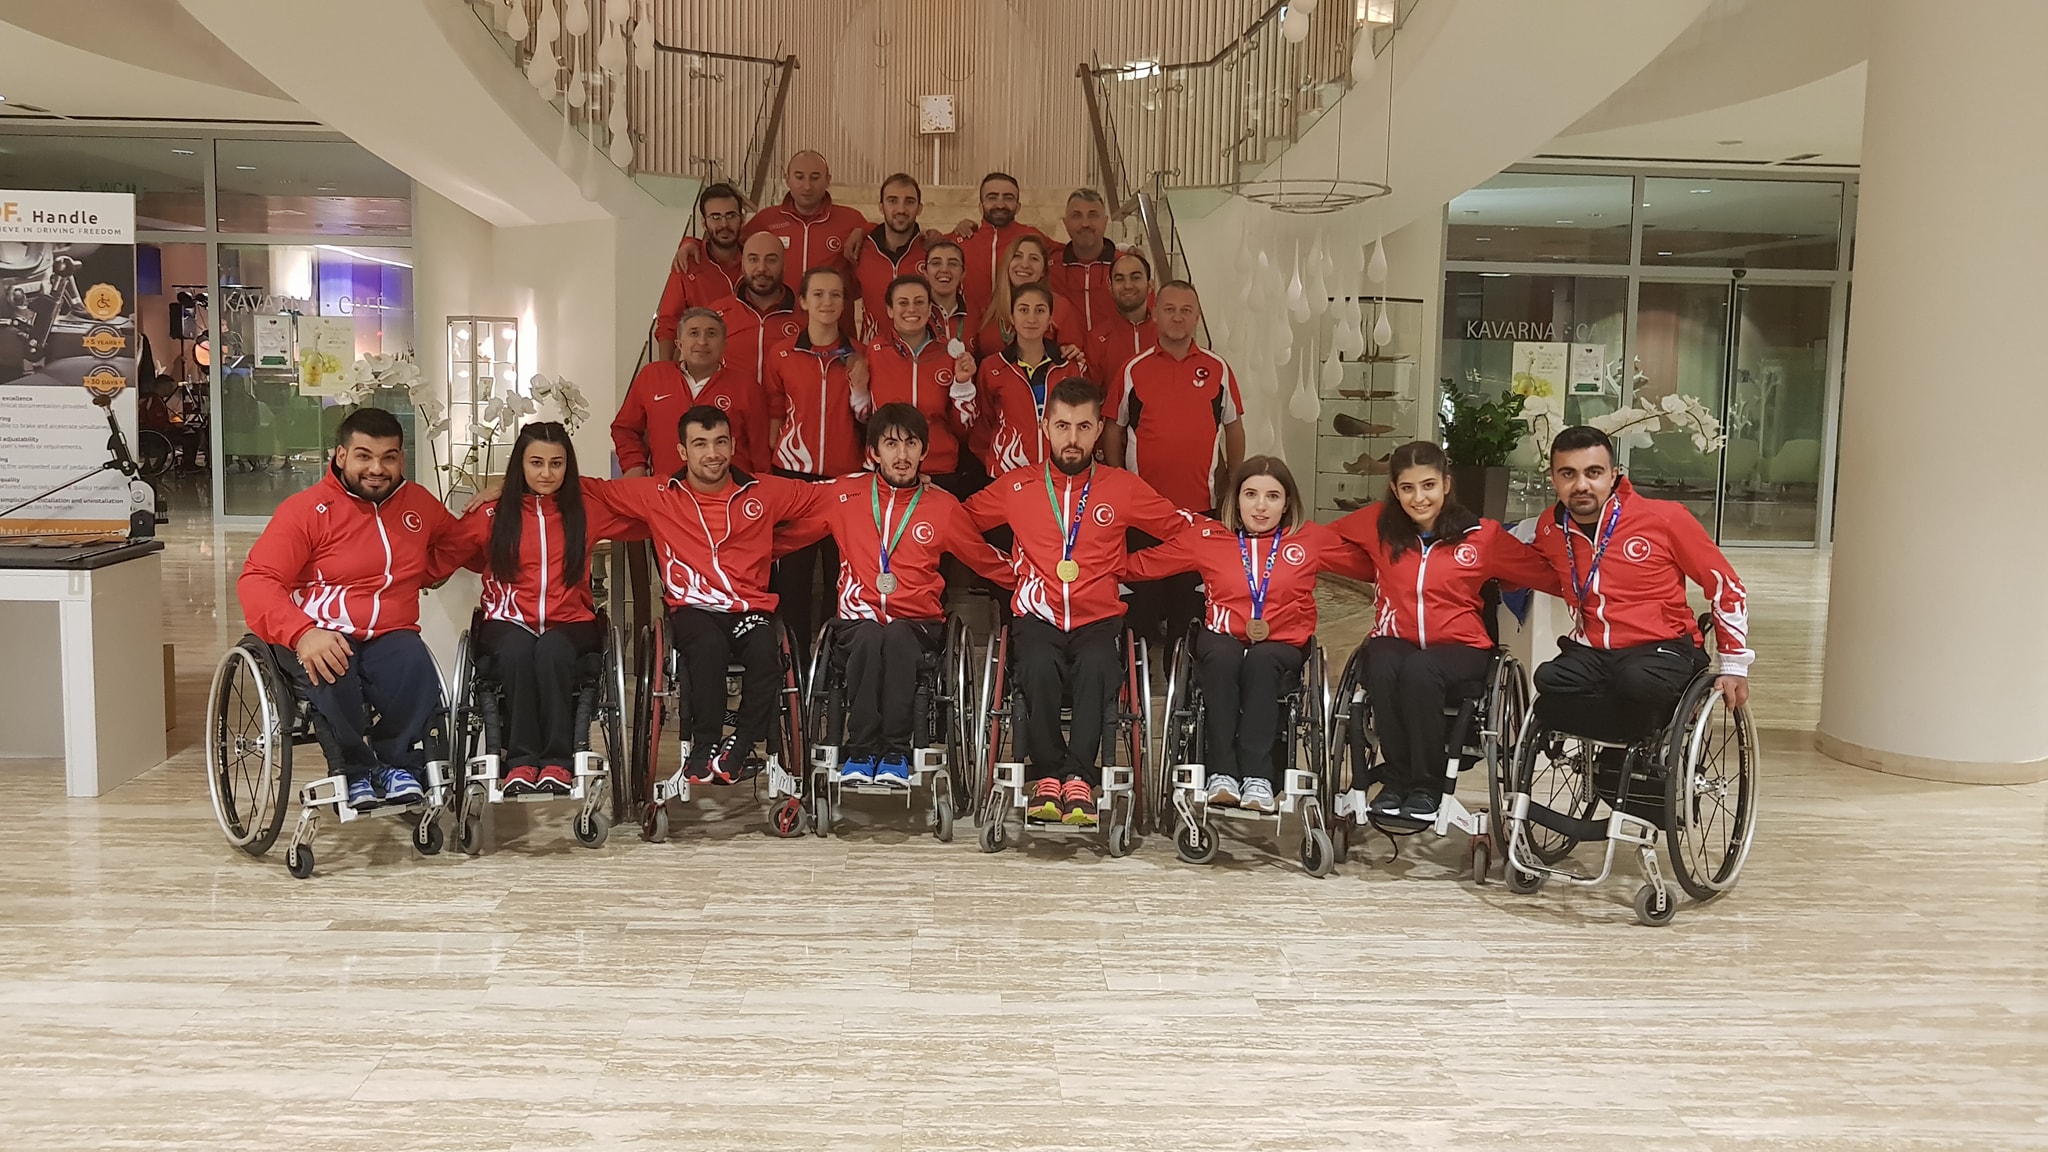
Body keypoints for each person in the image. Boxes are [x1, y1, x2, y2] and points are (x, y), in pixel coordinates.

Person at [965, 378, 1191, 826]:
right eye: (1063, 426)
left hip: (1098, 619)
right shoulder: (1016, 487)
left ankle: (1079, 780)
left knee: (1099, 667)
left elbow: (1182, 531)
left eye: (1084, 427)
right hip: (1038, 616)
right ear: (1045, 427)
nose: (1072, 438)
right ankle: (1048, 775)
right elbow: (956, 523)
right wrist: (1005, 570)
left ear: (1098, 430)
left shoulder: (1122, 487)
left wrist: (1132, 567)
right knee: (1035, 667)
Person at [237, 407, 473, 810]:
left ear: (401, 459)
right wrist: (301, 633)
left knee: (414, 662)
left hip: (388, 632)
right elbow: (258, 579)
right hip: (319, 629)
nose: (377, 469)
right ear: (341, 455)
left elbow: (462, 542)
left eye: (388, 457)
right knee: (334, 666)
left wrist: (494, 506)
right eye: (364, 456)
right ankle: (354, 769)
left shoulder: (417, 503)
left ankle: (396, 764)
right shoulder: (306, 509)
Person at [776, 404, 1016, 785]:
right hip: (857, 622)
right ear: (873, 452)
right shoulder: (845, 495)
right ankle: (861, 749)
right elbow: (794, 536)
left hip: (918, 624)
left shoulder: (942, 507)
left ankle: (895, 752)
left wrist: (1037, 581)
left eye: (911, 444)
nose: (902, 455)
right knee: (871, 636)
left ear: (924, 451)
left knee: (899, 635)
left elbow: (983, 558)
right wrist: (741, 556)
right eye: (891, 444)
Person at [1125, 457, 1373, 813]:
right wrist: (1087, 567)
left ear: (1286, 503)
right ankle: (1221, 773)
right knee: (1221, 658)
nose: (1260, 506)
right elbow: (1143, 564)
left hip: (1281, 643)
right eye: (1251, 494)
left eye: (1272, 496)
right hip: (1223, 637)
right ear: (1236, 500)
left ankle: (1258, 776)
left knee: (1261, 661)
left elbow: (1371, 566)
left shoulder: (1309, 539)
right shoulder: (1209, 538)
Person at [1331, 441, 1561, 821]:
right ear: (1394, 490)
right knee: (1381, 663)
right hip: (1397, 640)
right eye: (1408, 488)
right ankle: (1397, 779)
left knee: (1421, 669)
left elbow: (1542, 572)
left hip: (1462, 647)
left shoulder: (1481, 536)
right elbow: (1318, 545)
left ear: (1446, 484)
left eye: (1428, 485)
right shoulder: (1377, 526)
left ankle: (1426, 784)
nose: (1419, 498)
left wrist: (1605, 587)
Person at [602, 405, 825, 783]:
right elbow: (592, 491)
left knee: (766, 652)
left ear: (733, 445)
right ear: (683, 451)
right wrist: (511, 486)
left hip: (749, 608)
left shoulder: (763, 490)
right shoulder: (658, 493)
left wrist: (912, 487)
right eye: (700, 444)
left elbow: (829, 495)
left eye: (720, 442)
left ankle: (740, 745)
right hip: (694, 608)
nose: (712, 453)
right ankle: (704, 745)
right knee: (707, 647)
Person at [1528, 425, 1753, 744]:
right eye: (1568, 474)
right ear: (1553, 478)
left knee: (1636, 682)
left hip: (1661, 645)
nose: (1581, 485)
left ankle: (1632, 736)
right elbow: (1532, 567)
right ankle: (1630, 733)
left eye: (1593, 472)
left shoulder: (1664, 518)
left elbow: (1726, 586)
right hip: (1592, 650)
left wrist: (1734, 664)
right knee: (1548, 678)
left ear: (1613, 475)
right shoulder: (1550, 527)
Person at [451, 422, 643, 796]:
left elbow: (646, 514)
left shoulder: (587, 508)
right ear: (519, 465)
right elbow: (448, 549)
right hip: (507, 620)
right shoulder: (492, 512)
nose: (546, 473)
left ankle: (558, 760)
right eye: (536, 463)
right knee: (517, 651)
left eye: (557, 463)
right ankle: (520, 761)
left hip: (571, 619)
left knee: (553, 650)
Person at [1107, 279, 1243, 648]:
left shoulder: (1218, 369)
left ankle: (1183, 669)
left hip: (1199, 511)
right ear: (1155, 314)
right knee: (1143, 606)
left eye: (1186, 310)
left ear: (1197, 317)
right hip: (1143, 514)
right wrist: (1118, 483)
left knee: (1190, 607)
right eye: (1169, 309)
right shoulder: (1133, 370)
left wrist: (1235, 486)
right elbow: (1113, 428)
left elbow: (1233, 427)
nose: (1178, 317)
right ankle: (1140, 671)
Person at [765, 266, 867, 646]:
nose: (828, 302)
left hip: (845, 480)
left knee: (841, 574)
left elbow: (868, 418)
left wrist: (860, 388)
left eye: (835, 295)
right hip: (794, 479)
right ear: (804, 301)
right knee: (793, 576)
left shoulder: (860, 355)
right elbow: (774, 412)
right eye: (819, 294)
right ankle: (796, 661)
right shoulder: (782, 353)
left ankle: (831, 661)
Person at [614, 306, 767, 479]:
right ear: (679, 343)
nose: (702, 342)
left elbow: (759, 450)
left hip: (730, 490)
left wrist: (760, 488)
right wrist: (634, 465)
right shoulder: (652, 376)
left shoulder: (746, 386)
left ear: (724, 344)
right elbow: (625, 429)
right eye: (694, 333)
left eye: (711, 334)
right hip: (667, 488)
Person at [857, 274, 978, 485]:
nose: (911, 309)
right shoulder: (875, 351)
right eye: (903, 303)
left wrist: (963, 383)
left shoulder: (951, 353)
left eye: (919, 302)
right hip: (886, 468)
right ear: (890, 310)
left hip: (939, 467)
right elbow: (865, 417)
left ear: (930, 308)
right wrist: (857, 391)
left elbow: (963, 428)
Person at [972, 283, 1091, 475]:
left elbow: (1085, 419)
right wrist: (997, 462)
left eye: (1040, 310)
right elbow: (983, 426)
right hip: (1008, 475)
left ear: (1050, 318)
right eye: (1023, 310)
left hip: (1060, 472)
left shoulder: (1069, 366)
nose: (1031, 319)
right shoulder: (992, 367)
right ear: (1012, 317)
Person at [739, 150, 870, 302]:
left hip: (833, 315)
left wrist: (866, 229)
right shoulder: (765, 220)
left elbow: (884, 241)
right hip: (779, 313)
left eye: (815, 178)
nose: (807, 186)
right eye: (799, 177)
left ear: (828, 180)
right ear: (787, 179)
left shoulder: (851, 220)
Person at [654, 182, 746, 362]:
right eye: (715, 217)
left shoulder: (756, 263)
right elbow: (668, 323)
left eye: (731, 216)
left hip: (747, 365)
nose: (724, 224)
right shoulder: (686, 264)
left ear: (742, 219)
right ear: (704, 223)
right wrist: (665, 371)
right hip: (701, 366)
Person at [713, 231, 806, 395]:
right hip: (731, 409)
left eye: (771, 260)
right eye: (753, 259)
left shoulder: (807, 315)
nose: (762, 268)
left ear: (784, 265)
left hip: (786, 409)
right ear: (742, 264)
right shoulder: (717, 314)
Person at [972, 233, 1088, 360]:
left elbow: (1073, 356)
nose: (1024, 265)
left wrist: (1071, 352)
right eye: (1017, 256)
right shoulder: (987, 306)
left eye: (1034, 258)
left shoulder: (1060, 306)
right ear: (1007, 263)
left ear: (1043, 270)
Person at [952, 171, 1049, 317]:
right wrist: (929, 235)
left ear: (1018, 206)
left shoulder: (1032, 237)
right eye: (992, 197)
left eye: (1008, 198)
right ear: (981, 206)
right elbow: (926, 245)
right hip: (969, 325)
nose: (1000, 204)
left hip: (1019, 325)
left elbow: (1071, 252)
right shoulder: (961, 239)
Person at [852, 173, 930, 342]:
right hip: (872, 350)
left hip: (920, 352)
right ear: (881, 207)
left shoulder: (931, 251)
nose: (901, 210)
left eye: (909, 202)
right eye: (892, 201)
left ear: (920, 208)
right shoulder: (861, 249)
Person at [1083, 250, 1158, 398]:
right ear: (1110, 287)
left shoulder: (1166, 334)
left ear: (1150, 285)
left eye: (1135, 277)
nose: (1128, 285)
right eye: (1119, 279)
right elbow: (1090, 397)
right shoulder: (1096, 339)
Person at [1047, 188, 1119, 333]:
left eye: (1093, 215)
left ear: (1105, 221)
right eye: (1076, 216)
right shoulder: (1050, 269)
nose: (1085, 224)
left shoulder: (1125, 266)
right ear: (1065, 223)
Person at [922, 238, 975, 348]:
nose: (944, 269)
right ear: (925, 272)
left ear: (963, 273)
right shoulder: (916, 313)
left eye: (953, 264)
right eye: (936, 263)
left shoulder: (977, 315)